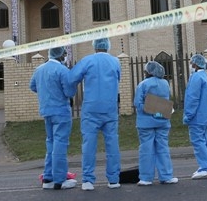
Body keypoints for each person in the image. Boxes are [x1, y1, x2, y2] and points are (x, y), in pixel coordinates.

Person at [68, 37, 121, 191]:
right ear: (108, 46)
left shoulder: (87, 61)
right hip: (110, 108)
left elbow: (72, 78)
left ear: (94, 46)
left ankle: (88, 180)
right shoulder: (115, 62)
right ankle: (113, 179)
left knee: (89, 144)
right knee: (112, 144)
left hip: (91, 108)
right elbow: (118, 79)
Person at [30, 46, 77, 190]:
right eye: (64, 53)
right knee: (60, 144)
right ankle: (60, 179)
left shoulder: (39, 69)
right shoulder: (63, 70)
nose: (65, 56)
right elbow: (69, 91)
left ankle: (48, 178)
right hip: (61, 111)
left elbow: (32, 86)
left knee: (50, 143)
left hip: (46, 111)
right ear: (61, 55)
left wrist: (46, 92)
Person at [133, 61, 177, 186]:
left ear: (148, 72)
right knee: (163, 148)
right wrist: (158, 111)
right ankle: (166, 176)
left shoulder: (143, 84)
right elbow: (166, 101)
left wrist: (149, 110)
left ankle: (146, 178)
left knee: (146, 149)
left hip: (145, 123)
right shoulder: (165, 83)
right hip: (162, 121)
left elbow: (138, 103)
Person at [183, 53, 207, 180]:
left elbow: (192, 98)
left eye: (191, 63)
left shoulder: (196, 78)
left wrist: (188, 115)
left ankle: (205, 167)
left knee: (198, 141)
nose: (191, 65)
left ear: (196, 64)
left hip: (197, 116)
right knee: (206, 141)